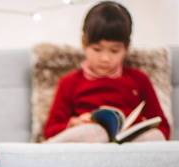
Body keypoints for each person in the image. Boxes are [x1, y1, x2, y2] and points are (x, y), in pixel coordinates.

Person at [43, 1, 170, 143]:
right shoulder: (69, 82)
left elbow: (163, 127)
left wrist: (139, 127)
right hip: (88, 144)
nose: (105, 58)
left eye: (114, 51)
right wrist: (73, 123)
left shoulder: (139, 80)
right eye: (97, 49)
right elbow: (50, 130)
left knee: (155, 136)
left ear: (126, 48)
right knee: (96, 133)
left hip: (127, 146)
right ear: (84, 43)